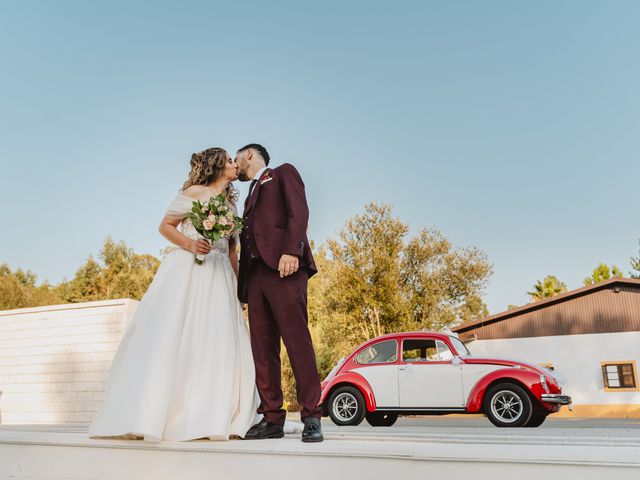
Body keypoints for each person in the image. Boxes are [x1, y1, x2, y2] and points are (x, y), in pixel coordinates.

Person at [88, 147, 259, 441]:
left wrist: (239, 288)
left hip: (220, 277)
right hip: (189, 270)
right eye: (230, 160)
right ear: (217, 165)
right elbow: (165, 226)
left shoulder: (231, 208)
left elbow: (232, 250)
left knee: (218, 339)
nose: (235, 164)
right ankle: (166, 413)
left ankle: (216, 412)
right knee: (176, 335)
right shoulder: (194, 192)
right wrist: (191, 245)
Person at [236, 144, 324, 443]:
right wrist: (244, 286)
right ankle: (271, 417)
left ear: (249, 154)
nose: (234, 165)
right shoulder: (248, 196)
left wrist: (291, 251)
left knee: (297, 342)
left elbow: (299, 212)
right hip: (256, 277)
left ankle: (312, 414)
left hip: (285, 268)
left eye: (236, 158)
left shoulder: (283, 173)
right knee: (262, 349)